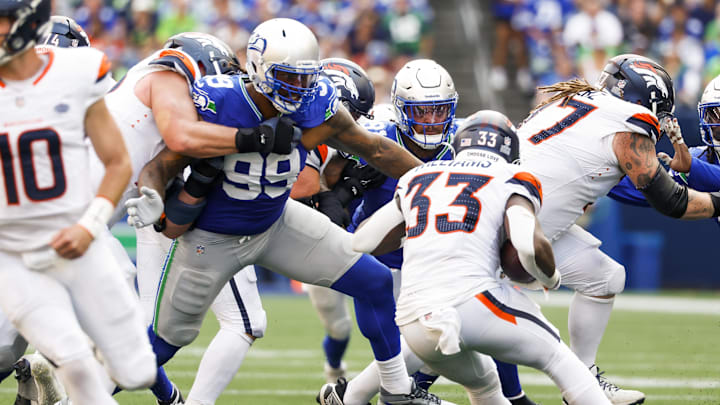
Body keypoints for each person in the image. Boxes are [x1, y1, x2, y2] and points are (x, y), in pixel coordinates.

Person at [126, 18, 450, 405]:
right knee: (163, 344)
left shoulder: (316, 100)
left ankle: (397, 394)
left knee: (375, 282)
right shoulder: (219, 100)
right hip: (213, 240)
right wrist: (152, 192)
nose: (299, 88)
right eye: (288, 78)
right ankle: (76, 392)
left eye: (306, 78)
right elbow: (163, 163)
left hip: (277, 224)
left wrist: (440, 183)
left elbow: (376, 149)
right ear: (260, 70)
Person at [340, 110, 612, 405]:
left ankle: (353, 396)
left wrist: (418, 231)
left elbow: (363, 241)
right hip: (474, 302)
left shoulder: (419, 176)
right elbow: (527, 242)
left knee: (485, 388)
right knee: (558, 357)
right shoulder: (512, 175)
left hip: (414, 319)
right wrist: (551, 278)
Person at [320, 59, 538, 405]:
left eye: (439, 111)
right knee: (425, 337)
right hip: (376, 259)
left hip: (432, 260)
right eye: (421, 112)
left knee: (474, 313)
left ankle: (506, 395)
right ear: (401, 110)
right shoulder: (374, 132)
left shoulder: (467, 140)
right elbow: (323, 183)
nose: (431, 121)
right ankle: (363, 394)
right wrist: (348, 190)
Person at [515, 54, 720, 405]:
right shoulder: (626, 122)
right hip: (507, 226)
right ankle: (404, 388)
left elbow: (632, 186)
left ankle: (585, 383)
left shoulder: (578, 103)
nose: (657, 121)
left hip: (522, 216)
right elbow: (669, 201)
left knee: (604, 276)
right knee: (481, 316)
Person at [0, 1, 156, 404]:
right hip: (14, 236)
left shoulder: (81, 82)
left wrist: (91, 222)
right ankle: (39, 379)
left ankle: (45, 378)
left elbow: (117, 159)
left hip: (74, 224)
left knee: (132, 360)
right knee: (11, 347)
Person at [608, 73, 720, 204]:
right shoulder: (703, 158)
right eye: (714, 113)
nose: (717, 122)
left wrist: (692, 168)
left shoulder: (695, 165)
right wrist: (603, 173)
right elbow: (658, 193)